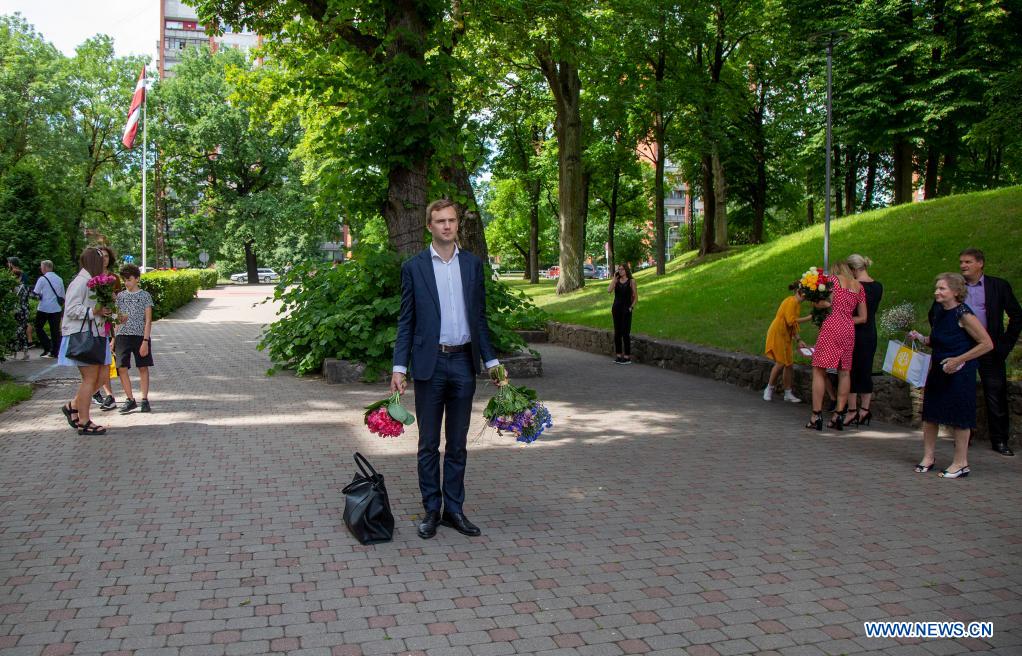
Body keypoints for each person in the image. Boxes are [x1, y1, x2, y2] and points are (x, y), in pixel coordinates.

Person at [391, 199, 501, 540]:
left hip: (463, 362)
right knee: (427, 444)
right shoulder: (415, 267)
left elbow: (479, 318)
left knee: (457, 444)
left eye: (452, 220)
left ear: (457, 225)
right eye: (440, 221)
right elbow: (406, 320)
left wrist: (492, 361)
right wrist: (399, 366)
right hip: (430, 364)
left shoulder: (472, 265)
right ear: (430, 226)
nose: (447, 226)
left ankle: (454, 510)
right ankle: (431, 510)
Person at [911, 273, 993, 478]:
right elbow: (939, 338)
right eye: (936, 288)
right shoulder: (939, 310)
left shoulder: (963, 314)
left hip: (960, 371)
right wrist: (920, 338)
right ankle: (929, 457)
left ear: (956, 292)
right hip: (938, 369)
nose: (936, 292)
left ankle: (961, 463)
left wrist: (958, 359)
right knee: (930, 415)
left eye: (942, 289)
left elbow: (987, 344)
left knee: (960, 416)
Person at [948, 248, 1021, 457]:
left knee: (995, 393)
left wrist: (1005, 344)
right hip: (962, 347)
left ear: (980, 263)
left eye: (968, 262)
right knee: (961, 392)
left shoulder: (997, 286)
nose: (963, 266)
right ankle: (963, 437)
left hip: (990, 347)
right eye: (961, 262)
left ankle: (1000, 440)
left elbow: (1017, 316)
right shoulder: (955, 287)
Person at [806, 261, 867, 431]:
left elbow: (823, 303)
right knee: (844, 372)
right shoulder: (858, 287)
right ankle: (839, 415)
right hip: (848, 328)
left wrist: (814, 302)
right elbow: (863, 317)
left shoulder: (832, 281)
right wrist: (845, 319)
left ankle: (816, 415)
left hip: (831, 326)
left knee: (819, 369)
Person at [58, 247, 113, 435]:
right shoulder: (81, 282)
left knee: (102, 377)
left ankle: (73, 406)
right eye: (101, 260)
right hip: (82, 336)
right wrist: (93, 312)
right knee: (90, 378)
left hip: (96, 335)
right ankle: (84, 421)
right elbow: (71, 309)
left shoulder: (92, 281)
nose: (104, 263)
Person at [844, 254, 883, 426]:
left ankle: (852, 410)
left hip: (855, 330)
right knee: (866, 369)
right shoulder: (878, 286)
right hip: (870, 332)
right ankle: (865, 409)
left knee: (850, 369)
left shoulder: (855, 286)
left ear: (853, 269)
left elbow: (851, 310)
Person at [114, 264, 154, 413]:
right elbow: (115, 317)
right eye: (124, 280)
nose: (127, 283)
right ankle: (130, 399)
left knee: (142, 367)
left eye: (129, 279)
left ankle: (144, 399)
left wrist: (145, 340)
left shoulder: (145, 296)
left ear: (137, 279)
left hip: (139, 336)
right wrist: (114, 336)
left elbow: (148, 320)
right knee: (122, 367)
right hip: (122, 336)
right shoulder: (120, 296)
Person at [763, 281, 811, 402]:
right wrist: (810, 318)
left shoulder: (796, 303)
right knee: (780, 363)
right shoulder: (791, 302)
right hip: (778, 333)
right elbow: (791, 321)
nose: (806, 297)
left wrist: (798, 339)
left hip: (785, 334)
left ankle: (788, 393)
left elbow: (791, 325)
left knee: (789, 364)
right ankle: (769, 388)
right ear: (798, 292)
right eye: (805, 294)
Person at [91, 246, 120, 411]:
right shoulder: (91, 278)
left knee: (107, 361)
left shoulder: (113, 278)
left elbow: (119, 303)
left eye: (107, 256)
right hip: (93, 324)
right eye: (101, 256)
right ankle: (98, 392)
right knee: (98, 363)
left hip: (109, 323)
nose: (104, 259)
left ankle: (108, 395)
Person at [32, 260, 65, 359]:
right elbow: (63, 295)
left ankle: (47, 346)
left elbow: (36, 292)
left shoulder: (42, 279)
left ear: (45, 268)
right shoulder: (59, 279)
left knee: (38, 327)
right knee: (55, 331)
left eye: (41, 267)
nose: (41, 269)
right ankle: (55, 351)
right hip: (56, 309)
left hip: (44, 308)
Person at [607, 264, 638, 364]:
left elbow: (635, 297)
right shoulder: (616, 280)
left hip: (626, 309)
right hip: (616, 309)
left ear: (626, 270)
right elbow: (609, 290)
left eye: (622, 269)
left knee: (625, 333)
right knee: (617, 333)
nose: (620, 271)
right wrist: (614, 280)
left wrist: (631, 307)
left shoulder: (631, 281)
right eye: (619, 269)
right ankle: (619, 355)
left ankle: (627, 357)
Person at [7, 257, 31, 360]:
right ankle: (24, 352)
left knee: (16, 330)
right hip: (24, 308)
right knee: (21, 329)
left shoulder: (13, 280)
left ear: (11, 264)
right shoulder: (24, 278)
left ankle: (15, 352)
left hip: (17, 308)